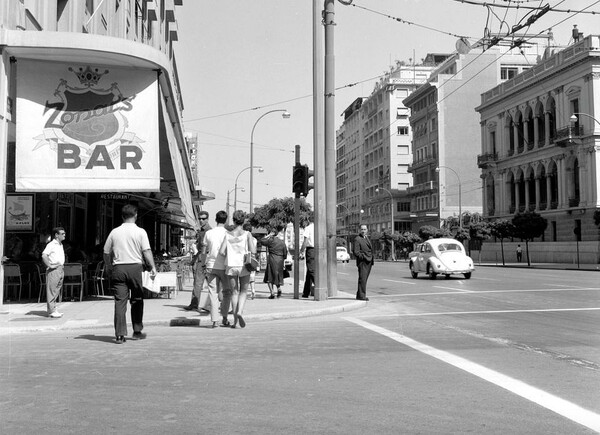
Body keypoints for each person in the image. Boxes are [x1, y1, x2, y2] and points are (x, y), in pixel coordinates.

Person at [103, 204, 157, 344]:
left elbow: (106, 252)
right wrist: (152, 267)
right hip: (135, 268)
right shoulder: (140, 232)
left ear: (122, 216)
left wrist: (109, 266)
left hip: (118, 268)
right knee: (137, 299)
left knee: (120, 302)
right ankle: (137, 329)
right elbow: (146, 251)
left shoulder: (114, 232)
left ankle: (120, 334)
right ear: (136, 215)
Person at [220, 210, 256, 328]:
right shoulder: (247, 234)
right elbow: (253, 250)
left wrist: (230, 254)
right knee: (244, 291)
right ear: (244, 220)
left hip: (231, 266)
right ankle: (240, 311)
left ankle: (235, 321)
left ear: (233, 220)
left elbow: (221, 251)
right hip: (244, 265)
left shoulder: (228, 234)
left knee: (234, 292)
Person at [200, 210, 230, 328]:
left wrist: (203, 263)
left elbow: (204, 251)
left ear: (216, 220)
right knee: (227, 292)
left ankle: (214, 320)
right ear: (226, 220)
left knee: (213, 293)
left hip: (211, 266)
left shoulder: (209, 233)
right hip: (225, 267)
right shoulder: (228, 233)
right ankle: (225, 318)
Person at [184, 211, 212, 311]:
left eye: (203, 219)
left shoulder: (208, 231)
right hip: (201, 258)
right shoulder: (201, 230)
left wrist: (202, 260)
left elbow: (205, 247)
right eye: (200, 218)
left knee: (202, 283)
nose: (201, 220)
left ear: (207, 219)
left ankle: (196, 304)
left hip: (204, 259)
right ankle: (194, 303)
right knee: (200, 283)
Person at [41, 227, 66, 318]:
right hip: (54, 269)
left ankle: (54, 308)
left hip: (60, 268)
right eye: (62, 234)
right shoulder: (51, 244)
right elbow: (44, 255)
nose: (64, 235)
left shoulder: (60, 244)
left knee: (56, 289)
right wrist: (49, 265)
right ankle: (51, 310)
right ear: (56, 235)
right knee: (52, 290)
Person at [261, 225, 288, 299]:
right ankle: (278, 288)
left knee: (269, 276)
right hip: (280, 260)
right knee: (277, 276)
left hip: (272, 259)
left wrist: (268, 235)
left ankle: (272, 293)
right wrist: (283, 259)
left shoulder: (270, 240)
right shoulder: (282, 242)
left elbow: (262, 240)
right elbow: (285, 252)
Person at [353, 224, 374, 301]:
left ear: (367, 230)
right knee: (363, 279)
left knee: (364, 279)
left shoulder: (367, 238)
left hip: (369, 261)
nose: (363, 231)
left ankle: (359, 295)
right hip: (363, 262)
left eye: (365, 229)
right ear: (359, 230)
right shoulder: (357, 239)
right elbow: (356, 252)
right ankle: (362, 296)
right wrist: (364, 257)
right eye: (362, 229)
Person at [300, 218, 315, 298]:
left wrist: (301, 251)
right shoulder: (318, 228)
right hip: (318, 249)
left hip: (311, 250)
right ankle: (306, 292)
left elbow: (305, 241)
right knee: (309, 273)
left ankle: (320, 287)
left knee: (311, 270)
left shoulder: (308, 228)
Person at [243, 222, 258, 300]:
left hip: (245, 258)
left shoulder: (243, 238)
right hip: (252, 258)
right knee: (252, 276)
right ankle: (253, 290)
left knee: (244, 276)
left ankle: (244, 293)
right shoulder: (254, 239)